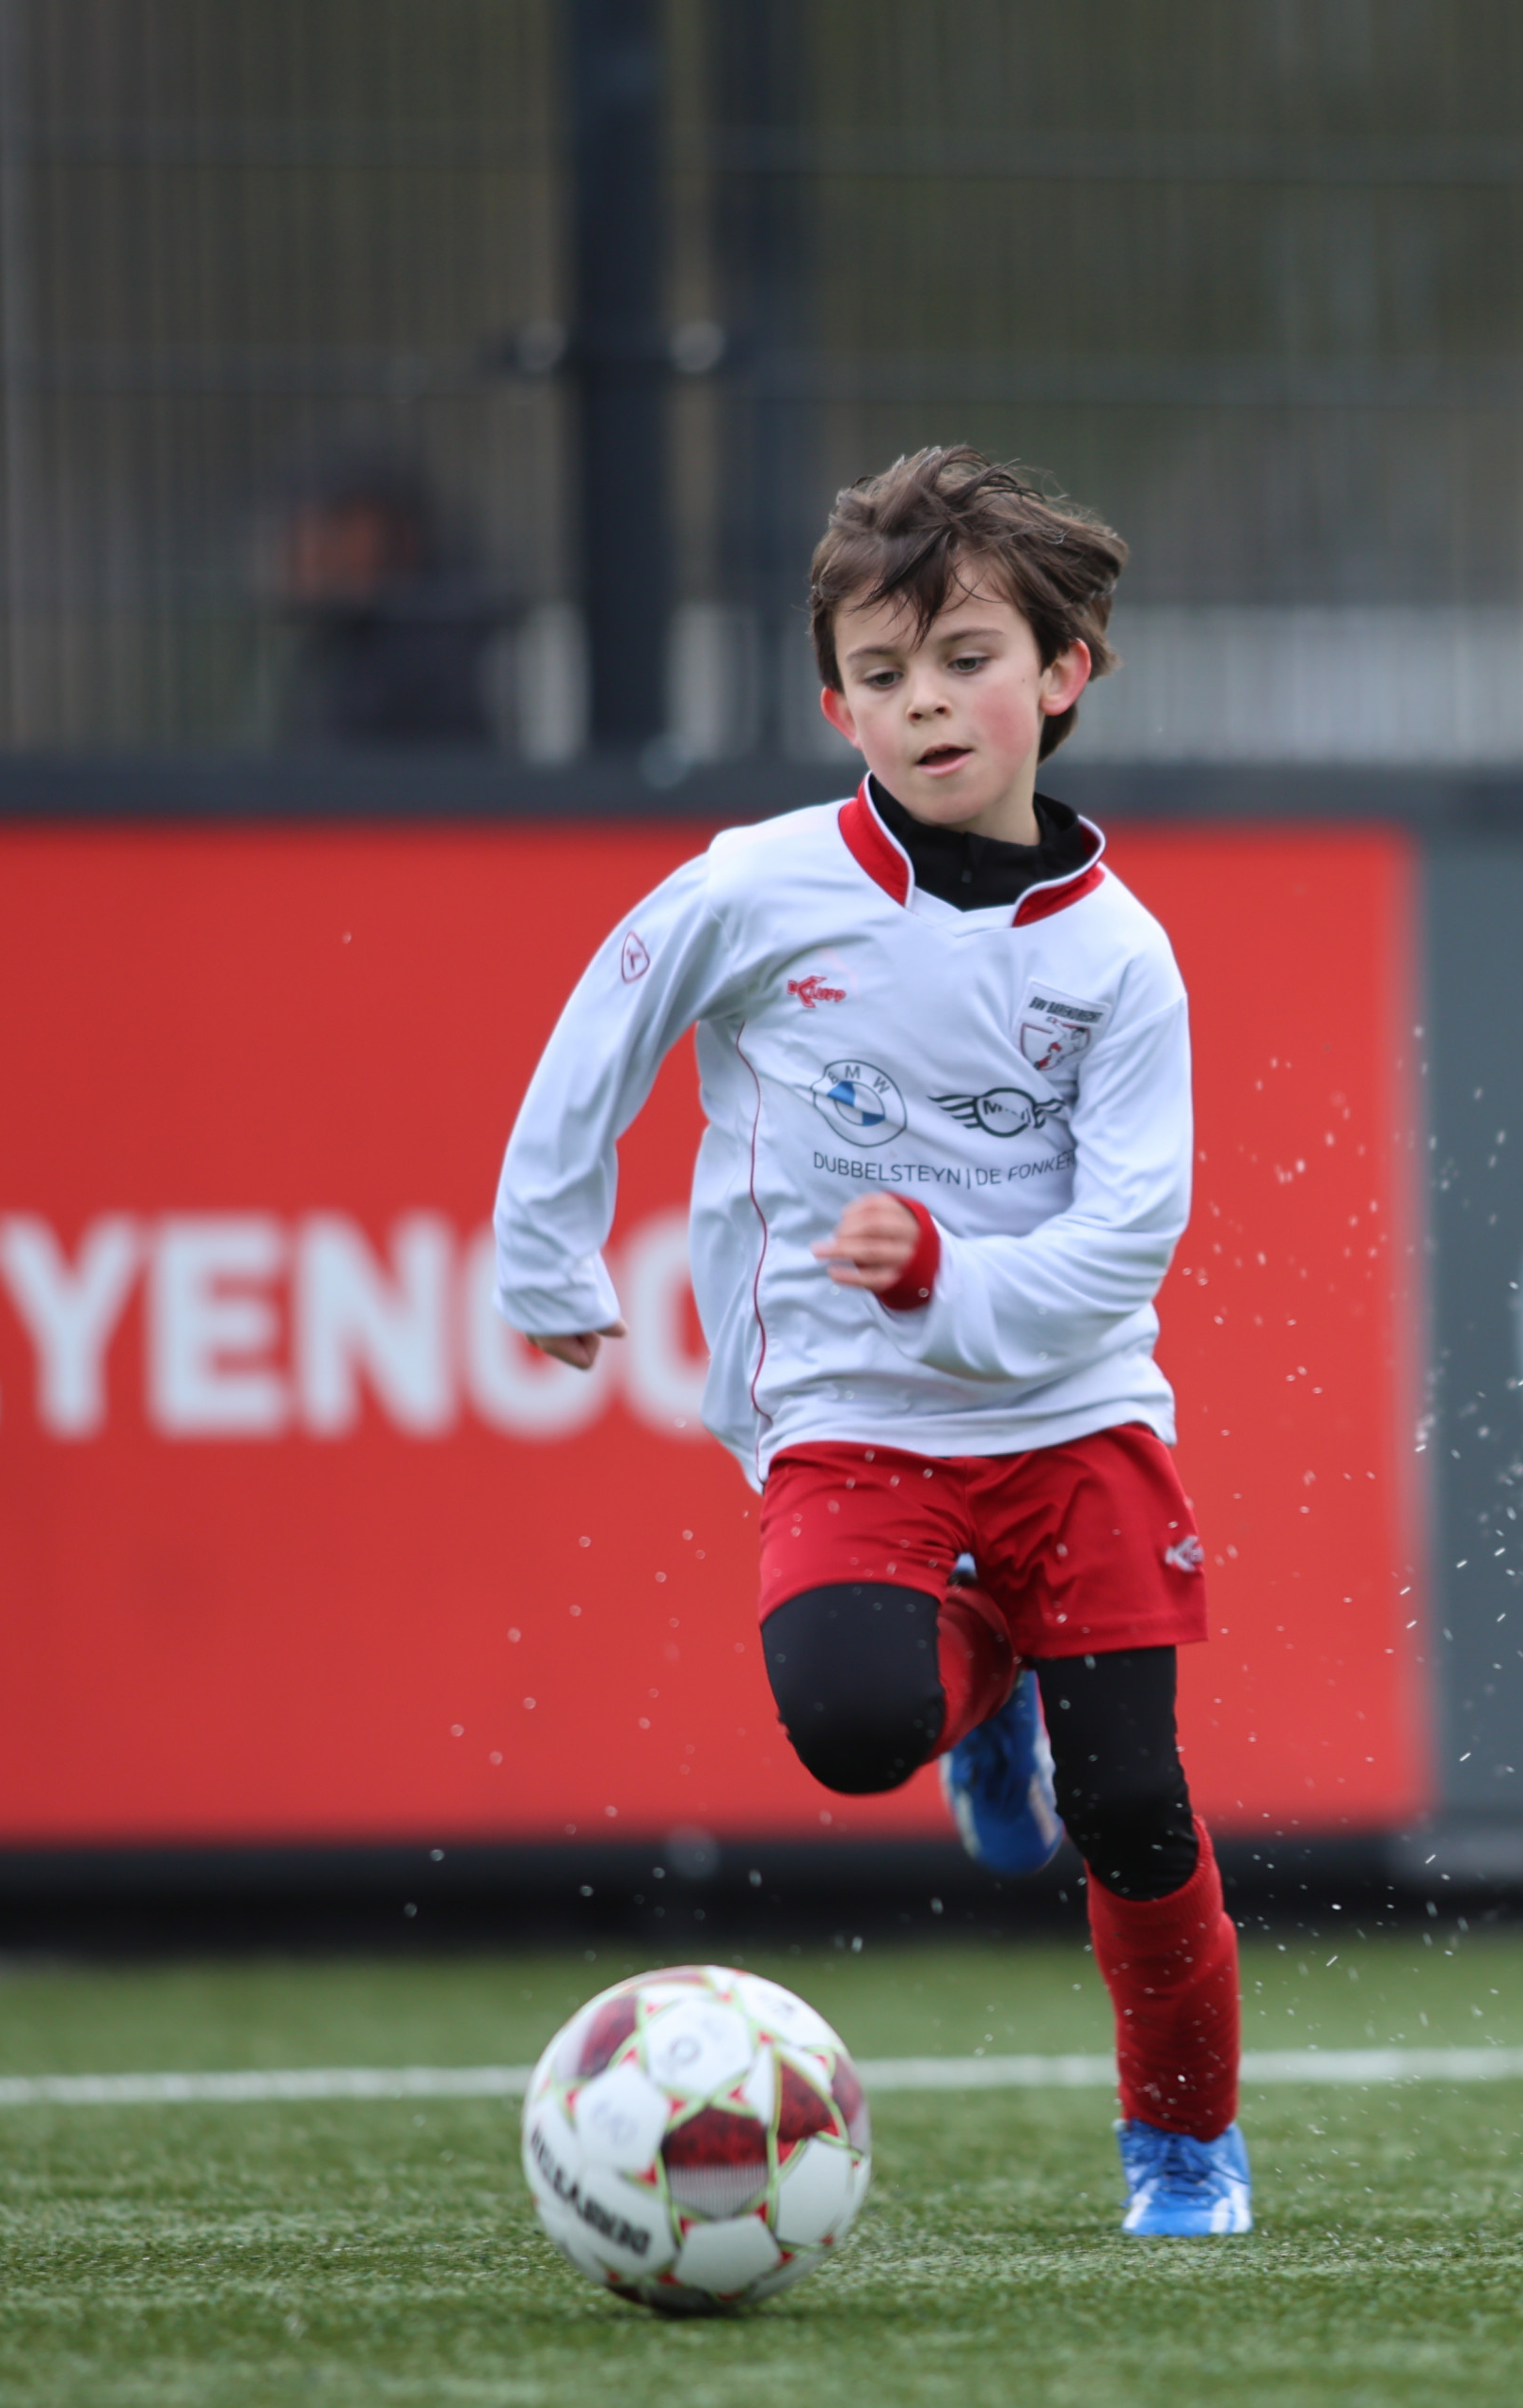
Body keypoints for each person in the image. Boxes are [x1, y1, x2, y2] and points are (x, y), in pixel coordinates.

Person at [489, 446, 1251, 2237]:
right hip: (843, 1411)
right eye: (885, 674)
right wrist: (547, 1256)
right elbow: (602, 1031)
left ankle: (1185, 2150)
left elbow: (1127, 1241)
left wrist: (948, 1287)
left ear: (1064, 675)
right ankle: (981, 1718)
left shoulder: (1123, 961)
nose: (928, 703)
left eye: (969, 658)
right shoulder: (757, 887)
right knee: (850, 1729)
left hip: (1074, 1415)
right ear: (837, 702)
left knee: (1135, 1803)